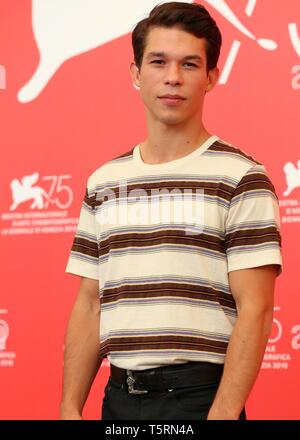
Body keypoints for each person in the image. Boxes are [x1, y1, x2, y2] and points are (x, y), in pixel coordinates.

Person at [60, 2, 282, 420]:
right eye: (158, 61)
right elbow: (90, 304)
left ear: (211, 77)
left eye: (190, 64)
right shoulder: (103, 181)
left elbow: (257, 309)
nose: (173, 78)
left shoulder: (241, 177)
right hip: (119, 397)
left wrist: (222, 414)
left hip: (199, 399)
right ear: (136, 74)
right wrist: (69, 407)